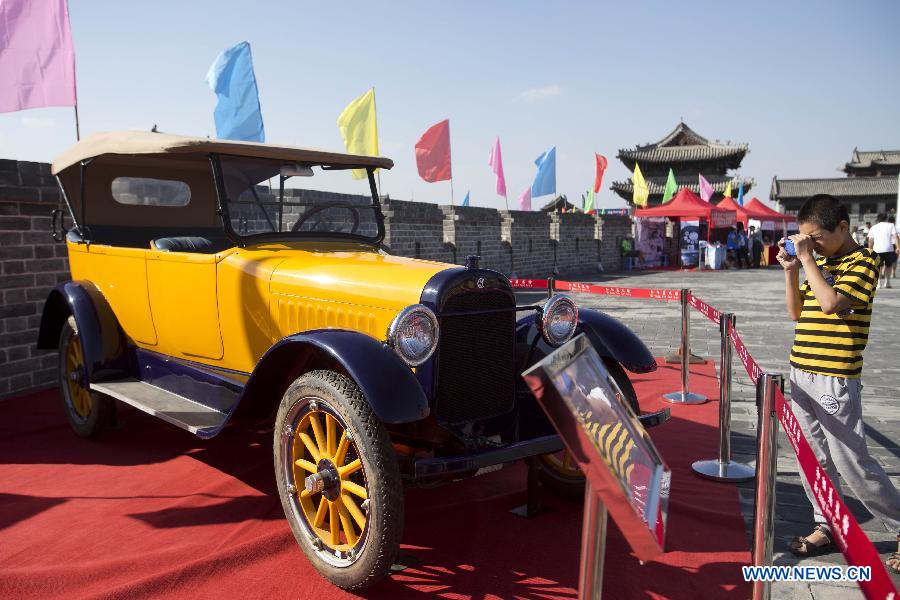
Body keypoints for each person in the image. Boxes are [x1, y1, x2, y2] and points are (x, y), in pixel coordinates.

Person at [776, 194, 900, 573]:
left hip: (835, 378)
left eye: (816, 238)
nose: (808, 245)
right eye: (804, 238)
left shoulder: (864, 262)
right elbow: (798, 312)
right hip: (802, 372)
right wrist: (792, 270)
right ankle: (826, 523)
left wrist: (809, 260)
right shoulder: (820, 261)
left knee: (852, 464)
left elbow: (831, 303)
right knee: (812, 458)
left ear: (843, 228)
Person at [866, 213, 900, 289]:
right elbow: (895, 236)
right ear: (886, 218)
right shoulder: (891, 225)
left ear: (878, 219)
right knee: (888, 266)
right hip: (888, 249)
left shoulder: (873, 227)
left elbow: (870, 240)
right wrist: (898, 247)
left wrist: (870, 250)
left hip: (877, 249)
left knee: (878, 267)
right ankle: (887, 282)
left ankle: (879, 284)